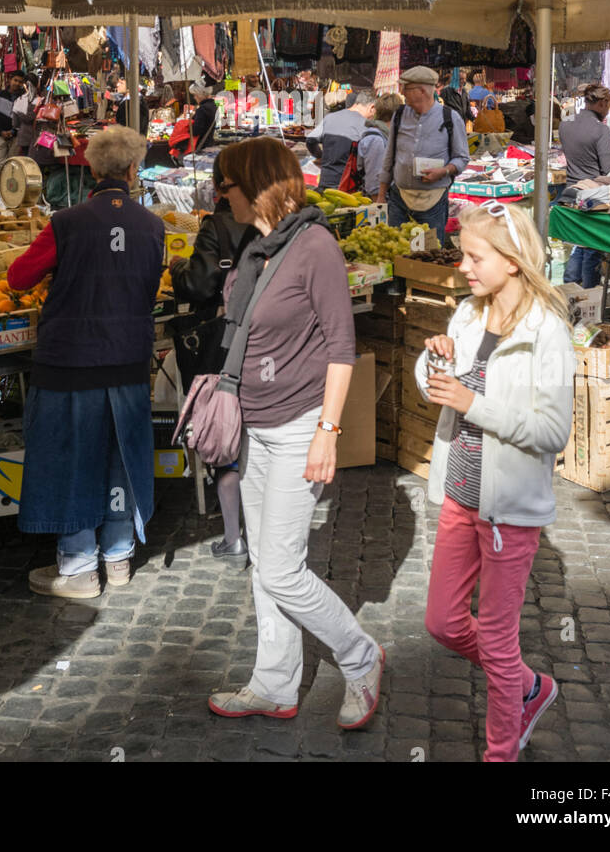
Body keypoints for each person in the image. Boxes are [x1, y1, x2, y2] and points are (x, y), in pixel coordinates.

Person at [207, 137, 385, 729]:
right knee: (265, 561)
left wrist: (328, 433)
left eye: (226, 185)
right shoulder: (257, 245)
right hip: (253, 426)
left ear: (256, 183)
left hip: (299, 424)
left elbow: (341, 345)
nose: (218, 196)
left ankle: (361, 657)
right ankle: (275, 683)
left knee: (282, 567)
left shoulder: (315, 247)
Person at [415, 201, 574, 762]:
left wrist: (473, 403)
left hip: (509, 512)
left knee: (499, 645)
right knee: (442, 621)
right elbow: (436, 385)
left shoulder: (548, 333)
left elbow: (553, 431)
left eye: (474, 256)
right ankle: (529, 686)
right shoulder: (466, 314)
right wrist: (434, 361)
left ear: (511, 261)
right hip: (460, 494)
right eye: (463, 254)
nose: (464, 266)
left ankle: (501, 751)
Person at [8, 126, 164, 597]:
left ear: (92, 169)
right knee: (121, 456)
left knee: (72, 458)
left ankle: (78, 567)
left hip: (70, 362)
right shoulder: (153, 226)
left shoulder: (67, 222)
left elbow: (17, 277)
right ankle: (117, 557)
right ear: (134, 171)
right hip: (128, 360)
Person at [170, 153, 259, 565]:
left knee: (224, 430)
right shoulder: (273, 223)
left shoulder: (216, 226)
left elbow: (200, 284)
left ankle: (232, 537)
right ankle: (256, 534)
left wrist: (176, 268)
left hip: (222, 342)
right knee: (253, 435)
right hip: (263, 345)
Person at [377, 67, 470, 242]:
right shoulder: (399, 115)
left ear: (422, 90)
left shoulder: (450, 117)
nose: (402, 93)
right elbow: (389, 157)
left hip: (432, 202)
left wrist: (442, 172)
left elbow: (462, 157)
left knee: (427, 254)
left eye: (406, 88)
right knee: (397, 250)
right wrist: (382, 194)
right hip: (399, 200)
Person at [559, 82, 610, 288]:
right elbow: (609, 167)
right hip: (594, 193)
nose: (608, 109)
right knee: (591, 246)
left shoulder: (565, 123)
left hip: (571, 190)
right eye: (608, 104)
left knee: (578, 242)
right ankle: (590, 292)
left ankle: (569, 286)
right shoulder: (600, 130)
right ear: (602, 103)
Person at [305, 89, 376, 191]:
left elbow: (310, 140)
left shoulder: (330, 118)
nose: (372, 117)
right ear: (371, 108)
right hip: (349, 186)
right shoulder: (366, 125)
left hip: (326, 181)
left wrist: (320, 156)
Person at [357, 93, 403, 199]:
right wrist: (380, 204)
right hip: (378, 202)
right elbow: (374, 183)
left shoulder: (385, 135)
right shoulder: (376, 139)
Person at [0, 71, 27, 171]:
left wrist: (14, 131)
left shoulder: (24, 97)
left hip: (16, 136)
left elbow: (24, 119)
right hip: (0, 135)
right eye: (15, 80)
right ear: (10, 80)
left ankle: (8, 184)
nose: (17, 83)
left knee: (14, 163)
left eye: (20, 82)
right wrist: (0, 131)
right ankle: (6, 176)